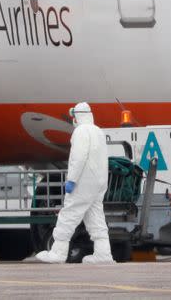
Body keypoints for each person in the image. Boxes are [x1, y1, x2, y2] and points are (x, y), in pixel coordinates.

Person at [36, 102, 113, 264]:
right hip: (99, 182)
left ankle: (58, 253)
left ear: (77, 116)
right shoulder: (98, 131)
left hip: (83, 181)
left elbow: (78, 159)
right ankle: (103, 254)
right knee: (96, 217)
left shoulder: (80, 132)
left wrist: (72, 180)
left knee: (68, 215)